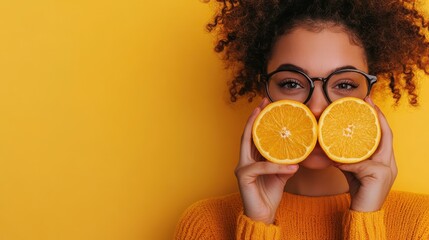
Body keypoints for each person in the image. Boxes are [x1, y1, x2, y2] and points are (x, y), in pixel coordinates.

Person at [175, 0, 429, 239]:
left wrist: (366, 220)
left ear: (369, 95)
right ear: (265, 90)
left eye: (344, 84)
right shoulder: (207, 224)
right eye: (291, 83)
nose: (317, 107)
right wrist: (258, 225)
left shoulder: (420, 223)